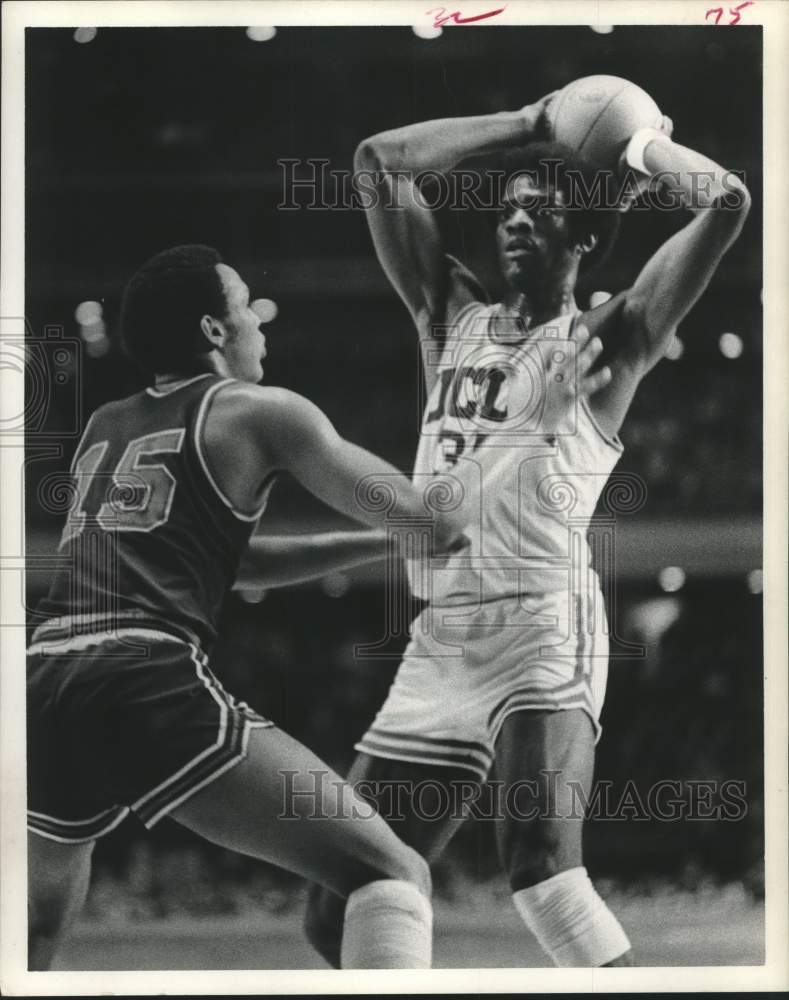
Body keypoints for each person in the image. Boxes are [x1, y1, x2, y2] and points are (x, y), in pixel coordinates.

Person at [305, 92, 751, 967]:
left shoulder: (612, 334)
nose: (513, 219)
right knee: (342, 903)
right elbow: (376, 161)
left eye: (539, 209)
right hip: (441, 633)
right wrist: (531, 120)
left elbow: (726, 203)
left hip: (542, 622)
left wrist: (640, 147)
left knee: (543, 873)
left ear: (582, 236)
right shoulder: (448, 315)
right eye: (505, 207)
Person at [26, 243, 483, 971]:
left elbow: (237, 566)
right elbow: (429, 520)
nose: (260, 325)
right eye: (246, 306)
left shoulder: (106, 424)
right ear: (214, 330)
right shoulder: (261, 411)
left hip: (41, 676)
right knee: (391, 873)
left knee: (31, 935)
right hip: (141, 672)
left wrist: (372, 548)